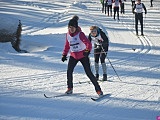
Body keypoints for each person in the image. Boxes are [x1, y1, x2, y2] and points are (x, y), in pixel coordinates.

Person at [61, 16, 103, 96]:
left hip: (83, 55)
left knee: (89, 73)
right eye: (70, 27)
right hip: (73, 56)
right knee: (69, 71)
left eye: (73, 27)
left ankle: (98, 90)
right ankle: (70, 88)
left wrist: (87, 51)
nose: (71, 29)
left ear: (76, 27)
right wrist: (64, 54)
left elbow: (88, 44)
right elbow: (67, 45)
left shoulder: (80, 34)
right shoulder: (68, 35)